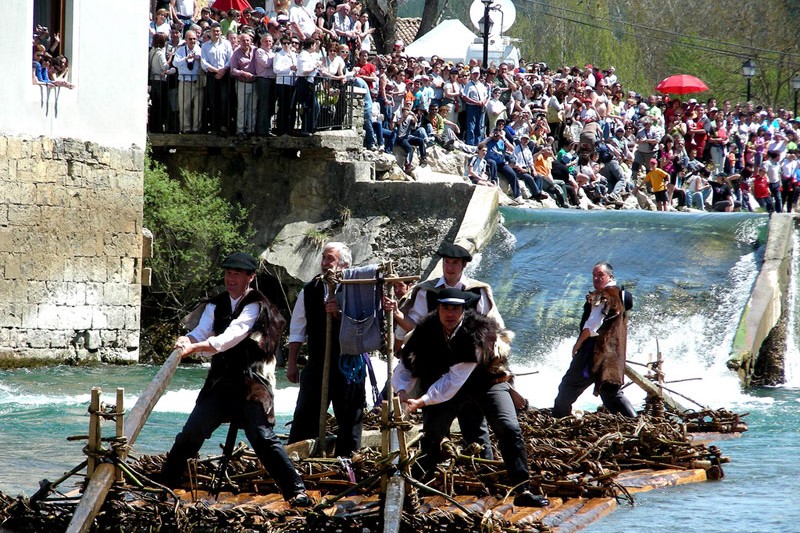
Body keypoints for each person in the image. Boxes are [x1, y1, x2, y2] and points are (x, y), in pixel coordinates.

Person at [160, 252, 311, 507]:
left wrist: (196, 349)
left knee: (262, 437)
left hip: (252, 381)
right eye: (228, 273)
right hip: (221, 382)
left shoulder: (256, 305)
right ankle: (164, 485)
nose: (230, 279)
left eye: (237, 274)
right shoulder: (216, 304)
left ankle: (296, 490)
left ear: (250, 277)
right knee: (191, 433)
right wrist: (188, 340)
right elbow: (201, 331)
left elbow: (232, 335)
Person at [393, 288, 548, 508]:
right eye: (445, 308)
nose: (449, 314)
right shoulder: (426, 329)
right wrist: (401, 390)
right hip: (446, 381)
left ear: (463, 310)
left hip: (487, 382)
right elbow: (405, 364)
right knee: (432, 433)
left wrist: (421, 401)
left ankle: (522, 490)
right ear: (438, 308)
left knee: (508, 427)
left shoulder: (477, 331)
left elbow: (453, 381)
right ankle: (416, 487)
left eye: (455, 308)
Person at [286, 242, 365, 456]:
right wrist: (291, 363)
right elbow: (297, 329)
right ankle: (297, 459)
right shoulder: (309, 290)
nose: (324, 263)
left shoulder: (357, 289)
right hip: (318, 361)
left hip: (348, 363)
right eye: (323, 258)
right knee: (304, 413)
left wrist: (341, 314)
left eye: (329, 258)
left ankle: (348, 460)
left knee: (349, 417)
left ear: (344, 264)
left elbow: (367, 326)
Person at [553, 262, 637, 418]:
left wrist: (578, 344)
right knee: (611, 393)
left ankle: (559, 419)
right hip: (612, 356)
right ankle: (634, 422)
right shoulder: (619, 295)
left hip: (593, 355)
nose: (596, 278)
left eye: (601, 275)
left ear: (610, 277)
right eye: (594, 275)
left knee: (568, 387)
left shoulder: (605, 295)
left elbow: (592, 326)